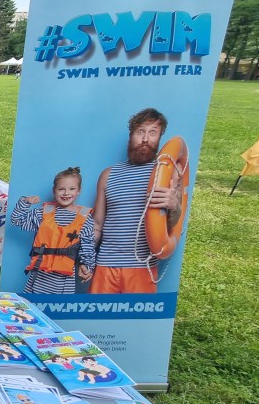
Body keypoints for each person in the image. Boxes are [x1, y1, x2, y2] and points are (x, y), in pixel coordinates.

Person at [91, 108, 182, 294]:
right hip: (105, 264)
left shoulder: (167, 175)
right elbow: (97, 224)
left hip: (142, 268)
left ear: (159, 138)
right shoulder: (108, 175)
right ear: (131, 135)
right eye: (141, 132)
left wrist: (174, 205)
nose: (146, 139)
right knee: (97, 313)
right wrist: (86, 257)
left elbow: (174, 225)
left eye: (153, 133)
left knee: (137, 315)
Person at [10, 167, 96, 294]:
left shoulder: (85, 218)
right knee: (32, 305)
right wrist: (25, 202)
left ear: (79, 191)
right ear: (54, 191)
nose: (66, 193)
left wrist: (87, 265)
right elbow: (16, 220)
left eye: (72, 189)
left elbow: (88, 245)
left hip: (64, 281)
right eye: (61, 189)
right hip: (39, 276)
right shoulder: (43, 213)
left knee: (58, 306)